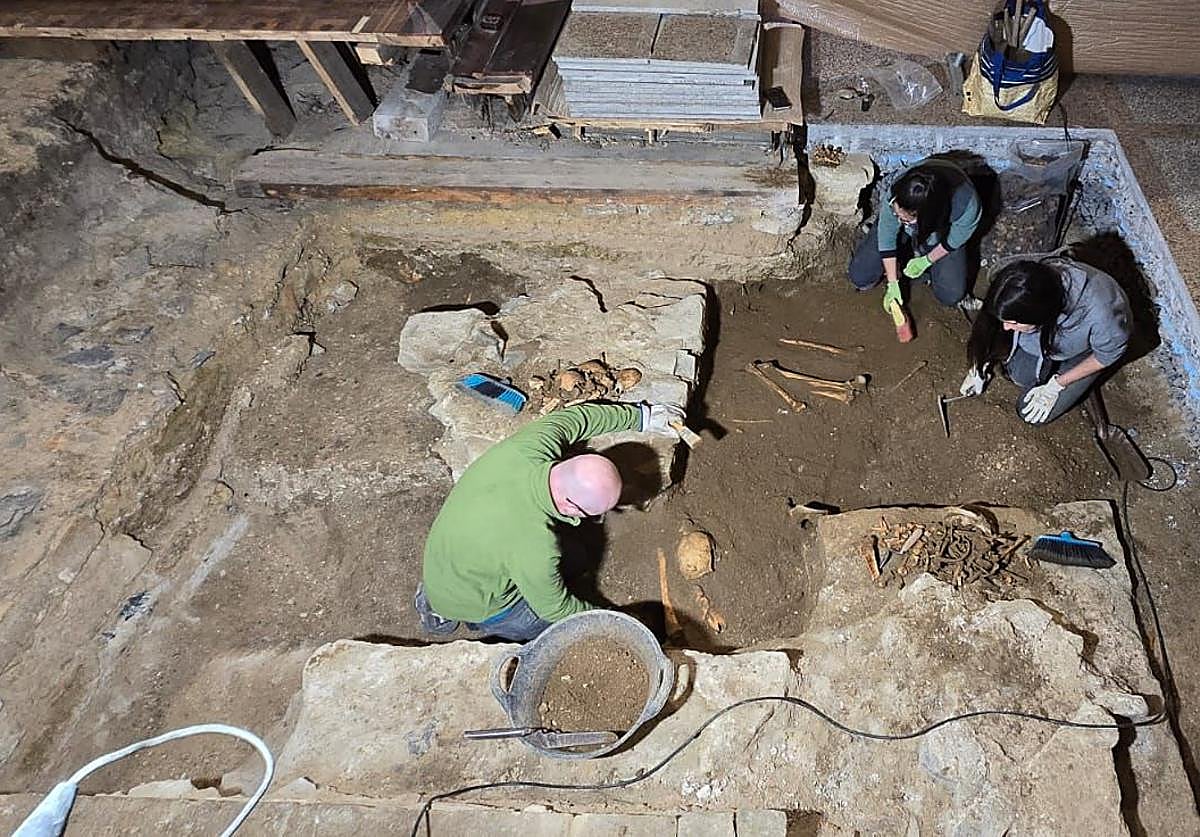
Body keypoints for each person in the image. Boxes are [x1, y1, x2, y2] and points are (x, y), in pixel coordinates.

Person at [414, 401, 685, 642]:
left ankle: (434, 597)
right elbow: (556, 608)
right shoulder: (535, 545)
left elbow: (578, 417)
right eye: (592, 514)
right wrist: (613, 623)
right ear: (570, 505)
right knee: (545, 626)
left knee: (577, 557)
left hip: (445, 552)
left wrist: (643, 416)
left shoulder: (531, 447)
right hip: (479, 602)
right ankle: (458, 615)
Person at [959, 253, 1131, 425]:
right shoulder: (1024, 279)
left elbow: (1105, 357)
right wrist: (981, 362)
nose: (1006, 328)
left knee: (1027, 410)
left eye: (1014, 323)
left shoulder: (1103, 316)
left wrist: (1057, 385)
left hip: (1090, 348)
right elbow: (996, 318)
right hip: (1050, 333)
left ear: (1040, 316)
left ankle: (1066, 366)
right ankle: (1047, 359)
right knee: (1019, 374)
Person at [848, 157, 983, 313]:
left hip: (939, 231)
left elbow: (954, 240)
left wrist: (926, 260)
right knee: (860, 276)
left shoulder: (966, 205)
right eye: (896, 212)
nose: (897, 217)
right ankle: (906, 250)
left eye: (904, 217)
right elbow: (887, 234)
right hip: (917, 224)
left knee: (950, 295)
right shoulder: (899, 191)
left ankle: (925, 265)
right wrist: (892, 282)